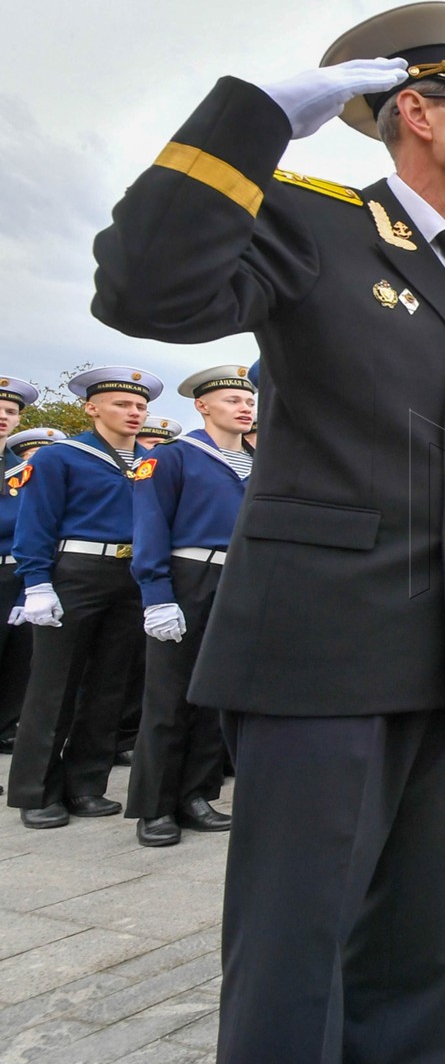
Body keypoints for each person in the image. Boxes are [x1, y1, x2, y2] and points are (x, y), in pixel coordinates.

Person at [91, 2, 445, 1064]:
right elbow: (143, 291)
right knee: (298, 958)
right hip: (324, 640)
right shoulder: (311, 220)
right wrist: (247, 123)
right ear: (417, 112)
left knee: (423, 953)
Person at [8, 366, 159, 829]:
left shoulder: (153, 461)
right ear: (92, 408)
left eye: (140, 406)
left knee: (110, 684)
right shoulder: (61, 456)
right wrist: (37, 583)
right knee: (54, 684)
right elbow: (36, 521)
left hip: (131, 574)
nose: (134, 413)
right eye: (122, 404)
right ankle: (36, 791)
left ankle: (86, 784)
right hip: (76, 570)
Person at [126, 363, 257, 847]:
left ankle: (197, 794)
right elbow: (151, 525)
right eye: (232, 400)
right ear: (202, 405)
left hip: (240, 579)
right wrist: (157, 595)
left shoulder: (261, 462)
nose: (244, 408)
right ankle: (155, 806)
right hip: (189, 576)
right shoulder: (174, 457)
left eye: (249, 401)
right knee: (168, 696)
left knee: (215, 693)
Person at [0, 379, 44, 753]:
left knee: (16, 655)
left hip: (12, 573)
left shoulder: (23, 472)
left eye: (11, 411)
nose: (3, 416)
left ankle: (4, 728)